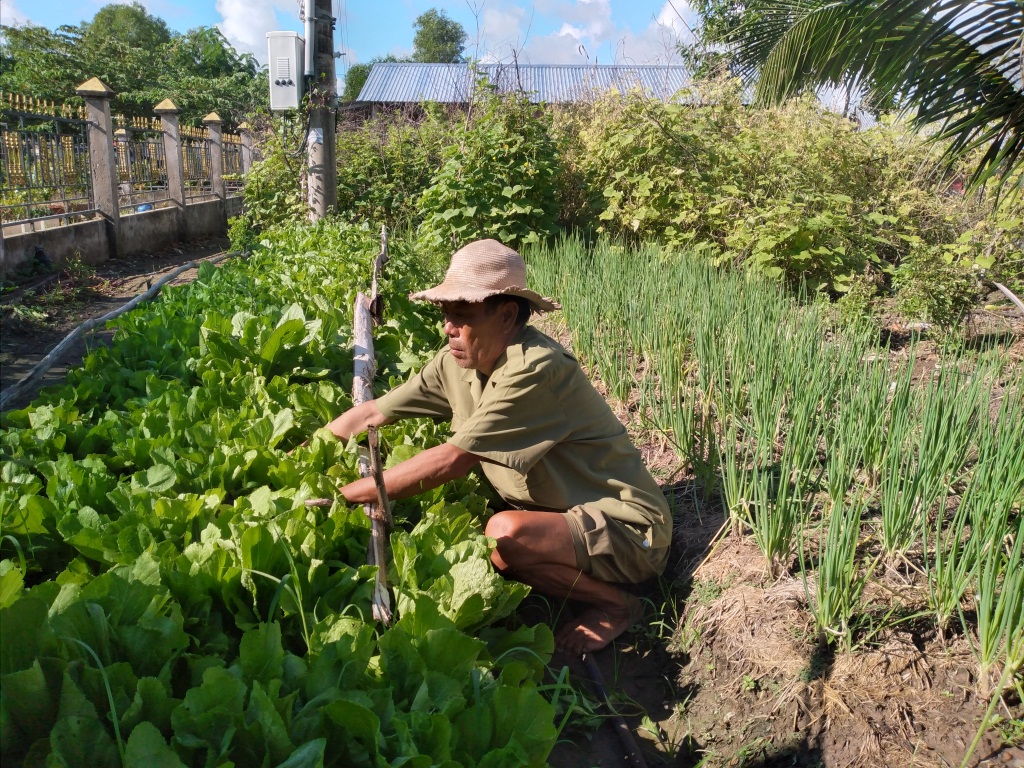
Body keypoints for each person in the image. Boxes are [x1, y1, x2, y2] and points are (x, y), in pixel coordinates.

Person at [324, 238, 671, 654]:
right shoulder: (456, 363)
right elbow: (371, 414)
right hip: (565, 518)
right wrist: (303, 456)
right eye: (446, 313)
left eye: (462, 315)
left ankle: (619, 607)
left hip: (628, 532)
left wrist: (337, 497)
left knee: (503, 535)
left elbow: (452, 461)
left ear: (507, 315)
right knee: (502, 551)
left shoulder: (535, 368)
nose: (448, 327)